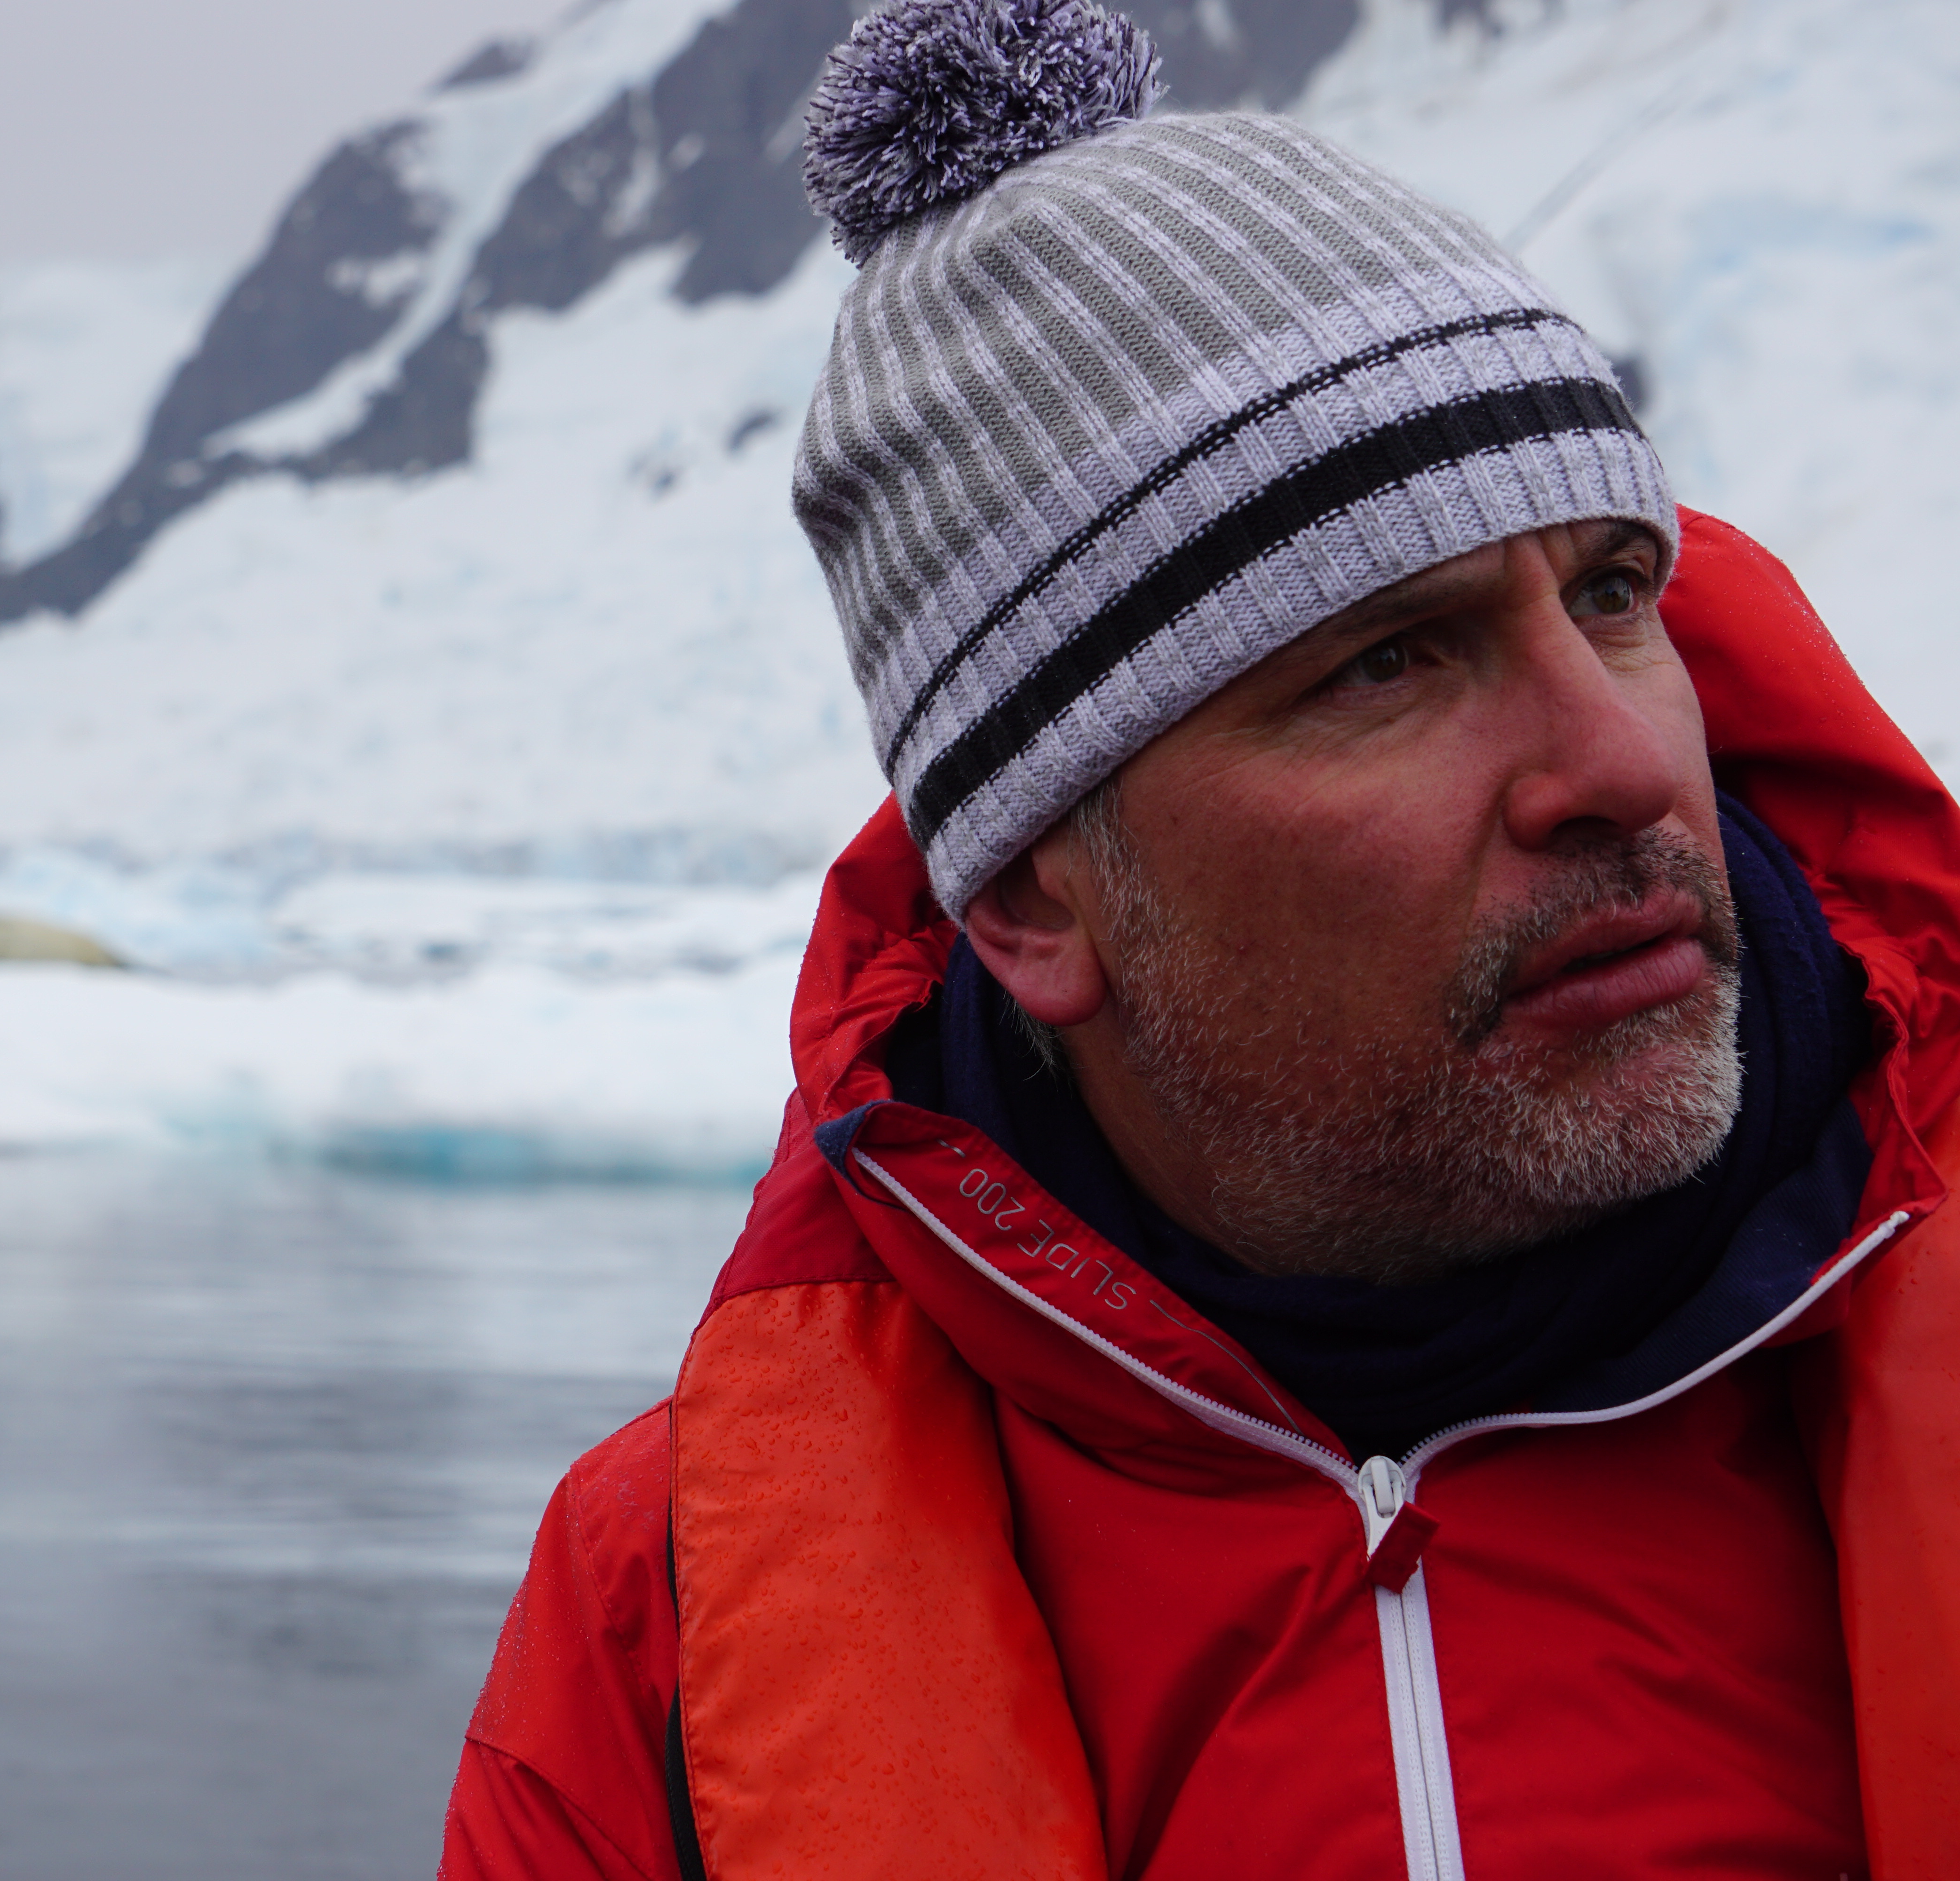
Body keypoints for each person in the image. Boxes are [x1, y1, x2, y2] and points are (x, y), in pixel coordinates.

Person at [437, 1, 1960, 1875]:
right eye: (1387, 661)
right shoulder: (662, 1621)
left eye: (1614, 595)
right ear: (1029, 896)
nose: (1617, 764)